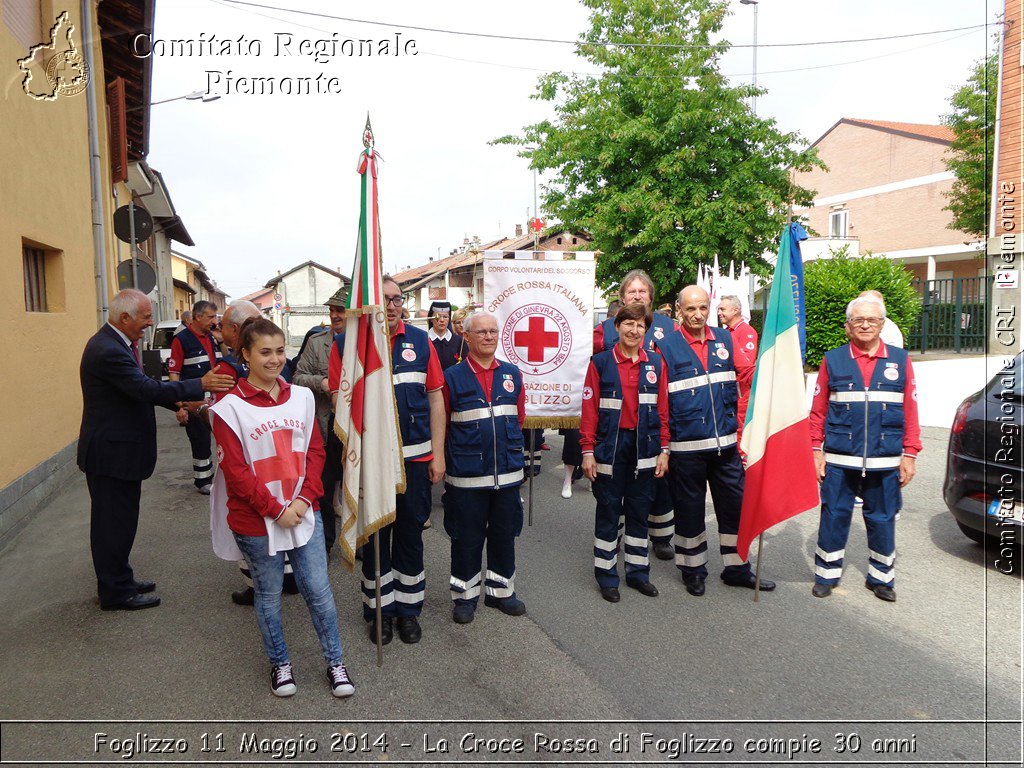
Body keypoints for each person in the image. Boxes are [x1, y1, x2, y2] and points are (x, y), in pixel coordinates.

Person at [209, 317, 354, 698]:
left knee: (319, 591)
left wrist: (305, 500)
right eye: (265, 352)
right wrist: (276, 510)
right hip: (256, 519)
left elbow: (315, 451)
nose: (275, 360)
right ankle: (280, 664)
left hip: (304, 511)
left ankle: (335, 662)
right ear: (245, 354)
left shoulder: (303, 397)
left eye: (279, 351)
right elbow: (236, 472)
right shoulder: (227, 408)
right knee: (269, 595)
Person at [78, 289, 234, 611]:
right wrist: (198, 386)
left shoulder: (118, 343)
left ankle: (120, 578)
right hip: (111, 455)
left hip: (117, 452)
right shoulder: (108, 349)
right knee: (112, 524)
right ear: (125, 318)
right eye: (146, 317)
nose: (150, 323)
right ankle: (115, 592)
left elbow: (138, 391)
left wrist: (180, 401)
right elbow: (143, 388)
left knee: (120, 521)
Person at [329, 277, 446, 645]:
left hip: (416, 462)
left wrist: (438, 454)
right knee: (376, 540)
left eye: (397, 299)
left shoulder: (421, 342)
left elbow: (436, 400)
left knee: (411, 537)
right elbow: (340, 403)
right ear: (370, 305)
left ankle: (409, 612)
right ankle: (379, 611)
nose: (392, 306)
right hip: (372, 465)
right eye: (384, 300)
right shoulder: (347, 345)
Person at [656, 285, 776, 597]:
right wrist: (665, 446)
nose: (697, 315)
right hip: (686, 449)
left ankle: (737, 569)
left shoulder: (725, 339)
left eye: (703, 308)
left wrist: (775, 369)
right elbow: (662, 402)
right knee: (690, 511)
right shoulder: (665, 346)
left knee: (734, 508)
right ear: (680, 311)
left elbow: (747, 374)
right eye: (690, 309)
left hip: (726, 446)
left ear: (709, 308)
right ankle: (693, 570)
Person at [809, 296, 921, 602]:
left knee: (883, 517)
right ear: (848, 327)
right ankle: (826, 574)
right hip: (840, 458)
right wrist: (815, 451)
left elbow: (910, 410)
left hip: (885, 459)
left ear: (882, 324)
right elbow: (818, 411)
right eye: (858, 320)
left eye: (872, 320)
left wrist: (910, 454)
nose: (865, 325)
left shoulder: (900, 360)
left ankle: (881, 578)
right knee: (834, 514)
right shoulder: (833, 360)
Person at [580, 303, 670, 602]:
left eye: (640, 325)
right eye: (628, 324)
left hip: (645, 448)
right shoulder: (601, 363)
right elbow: (590, 410)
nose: (634, 330)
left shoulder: (656, 363)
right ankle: (607, 576)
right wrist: (587, 450)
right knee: (608, 509)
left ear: (646, 330)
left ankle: (637, 573)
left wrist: (664, 450)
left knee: (639, 512)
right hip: (610, 449)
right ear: (617, 327)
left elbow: (663, 410)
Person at [442, 311, 528, 625]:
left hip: (506, 474)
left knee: (505, 534)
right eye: (481, 332)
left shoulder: (512, 373)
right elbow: (444, 423)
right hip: (466, 477)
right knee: (466, 537)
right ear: (466, 336)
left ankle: (501, 592)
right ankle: (465, 597)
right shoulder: (451, 376)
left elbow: (518, 419)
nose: (489, 337)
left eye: (493, 331)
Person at [593, 271, 675, 561]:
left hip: (656, 418)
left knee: (657, 484)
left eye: (643, 291)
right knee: (614, 491)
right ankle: (613, 541)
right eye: (632, 292)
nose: (638, 296)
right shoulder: (604, 329)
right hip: (617, 426)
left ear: (651, 297)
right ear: (622, 297)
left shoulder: (670, 326)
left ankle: (662, 536)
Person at [293, 287, 348, 557]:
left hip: (358, 428)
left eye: (340, 310)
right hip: (327, 426)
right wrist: (323, 382)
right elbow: (297, 376)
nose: (334, 315)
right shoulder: (317, 342)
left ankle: (359, 543)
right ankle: (325, 544)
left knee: (357, 487)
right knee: (325, 490)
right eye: (332, 310)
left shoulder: (369, 345)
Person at [168, 300, 222, 494]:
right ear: (198, 317)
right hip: (193, 400)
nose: (214, 321)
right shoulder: (181, 340)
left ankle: (215, 478)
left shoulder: (212, 337)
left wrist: (221, 340)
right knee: (200, 441)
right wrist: (178, 406)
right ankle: (202, 481)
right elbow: (174, 373)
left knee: (221, 438)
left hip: (214, 398)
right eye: (211, 317)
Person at [717, 294, 758, 444]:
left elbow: (746, 363)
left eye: (722, 309)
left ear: (735, 310)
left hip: (740, 393)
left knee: (740, 432)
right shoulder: (727, 332)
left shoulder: (746, 332)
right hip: (728, 392)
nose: (719, 312)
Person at [427, 300, 463, 370]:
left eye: (445, 317)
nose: (442, 320)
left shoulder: (459, 341)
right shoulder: (423, 340)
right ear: (431, 319)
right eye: (438, 317)